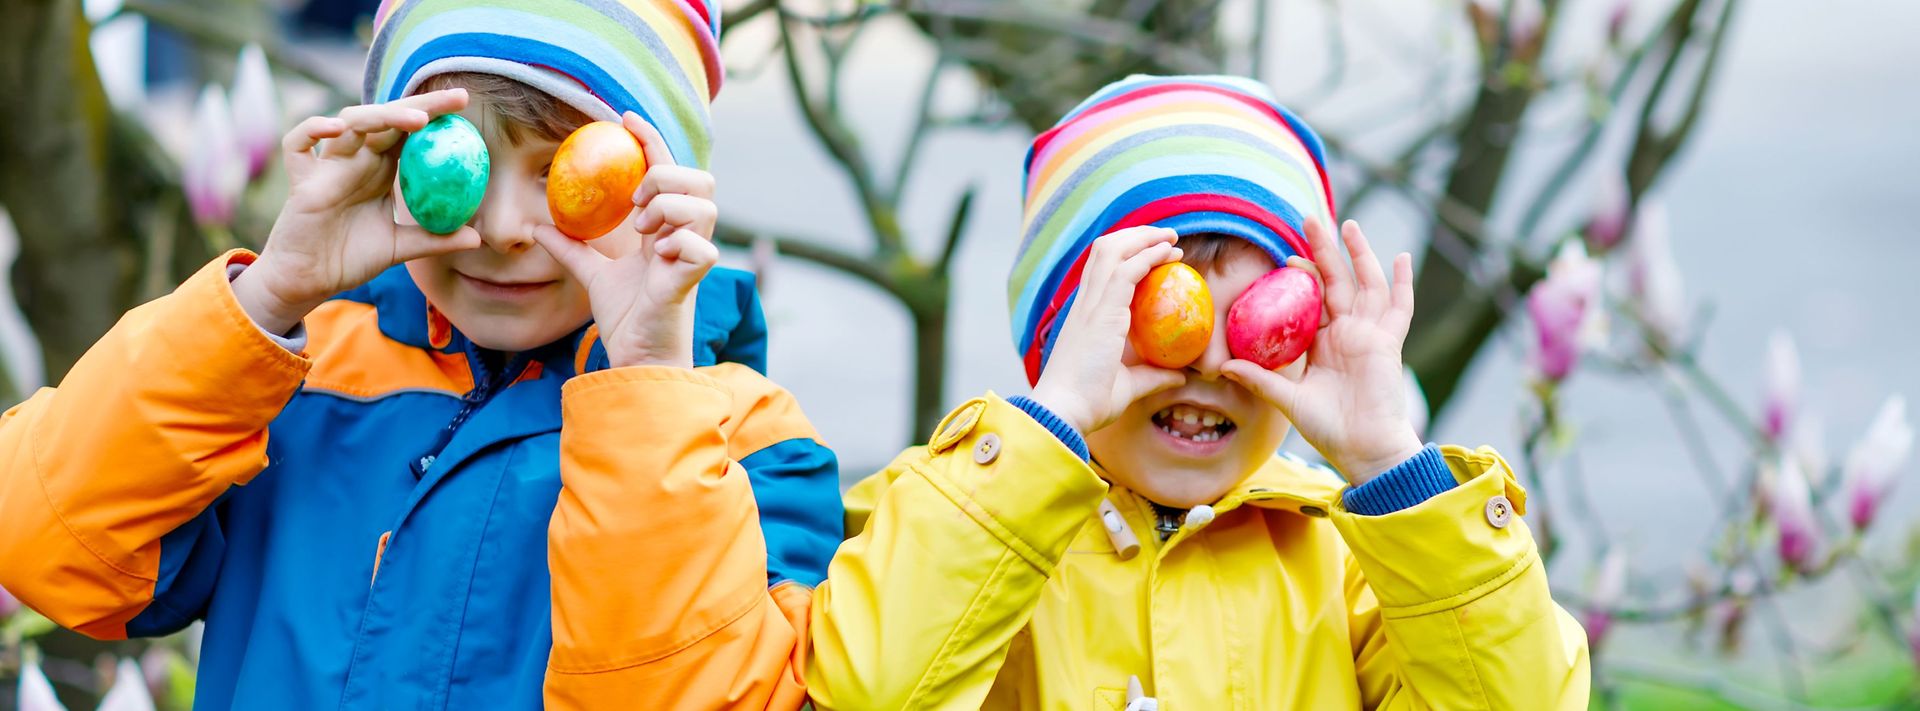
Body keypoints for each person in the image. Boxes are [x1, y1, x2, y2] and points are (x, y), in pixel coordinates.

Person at [0, 1, 841, 707]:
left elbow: (693, 692)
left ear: (662, 191)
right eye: (456, 160)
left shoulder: (739, 445)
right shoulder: (297, 376)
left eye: (565, 177)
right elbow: (48, 543)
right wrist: (268, 297)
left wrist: (649, 385)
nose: (502, 229)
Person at [804, 75, 1589, 709]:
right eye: (1168, 315)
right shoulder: (955, 514)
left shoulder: (1353, 568)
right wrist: (1050, 424)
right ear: (1065, 335)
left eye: (1256, 326)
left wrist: (1391, 463)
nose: (1211, 362)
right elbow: (872, 690)